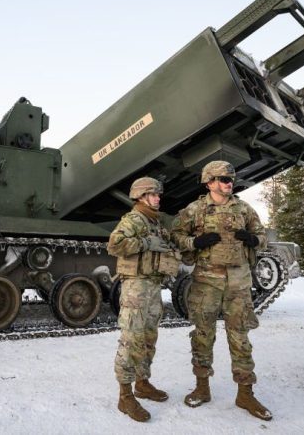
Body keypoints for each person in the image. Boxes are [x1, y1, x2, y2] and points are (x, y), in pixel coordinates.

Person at [171, 161, 273, 420]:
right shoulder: (195, 210)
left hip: (238, 282)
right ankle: (202, 388)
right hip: (206, 283)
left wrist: (253, 239)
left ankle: (245, 393)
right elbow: (175, 236)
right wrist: (195, 241)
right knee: (203, 335)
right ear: (209, 182)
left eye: (231, 179)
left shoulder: (244, 208)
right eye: (224, 179)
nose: (229, 183)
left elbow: (262, 235)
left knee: (240, 337)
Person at [108, 176, 179, 422]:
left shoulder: (155, 222)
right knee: (131, 338)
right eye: (153, 194)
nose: (158, 198)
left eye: (158, 194)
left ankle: (143, 382)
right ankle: (125, 396)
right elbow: (114, 245)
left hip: (152, 286)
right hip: (136, 287)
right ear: (140, 197)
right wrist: (146, 242)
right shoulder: (134, 220)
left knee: (148, 337)